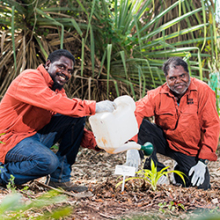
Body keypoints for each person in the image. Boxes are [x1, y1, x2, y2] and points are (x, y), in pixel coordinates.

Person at [0, 49, 116, 192]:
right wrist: (94, 106)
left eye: (69, 70)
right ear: (48, 64)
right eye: (61, 67)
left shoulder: (57, 91)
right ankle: (2, 174)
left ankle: (59, 180)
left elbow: (74, 126)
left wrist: (101, 143)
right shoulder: (30, 77)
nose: (65, 73)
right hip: (8, 140)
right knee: (48, 162)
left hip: (31, 137)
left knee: (76, 116)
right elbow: (54, 102)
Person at [126, 57, 220, 190]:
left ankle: (179, 171)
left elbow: (212, 126)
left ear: (188, 74)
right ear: (166, 78)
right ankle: (157, 170)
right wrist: (131, 145)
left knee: (200, 186)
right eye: (172, 78)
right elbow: (135, 112)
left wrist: (202, 162)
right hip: (165, 140)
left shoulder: (203, 91)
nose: (178, 82)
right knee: (140, 125)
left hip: (189, 149)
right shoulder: (157, 94)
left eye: (182, 76)